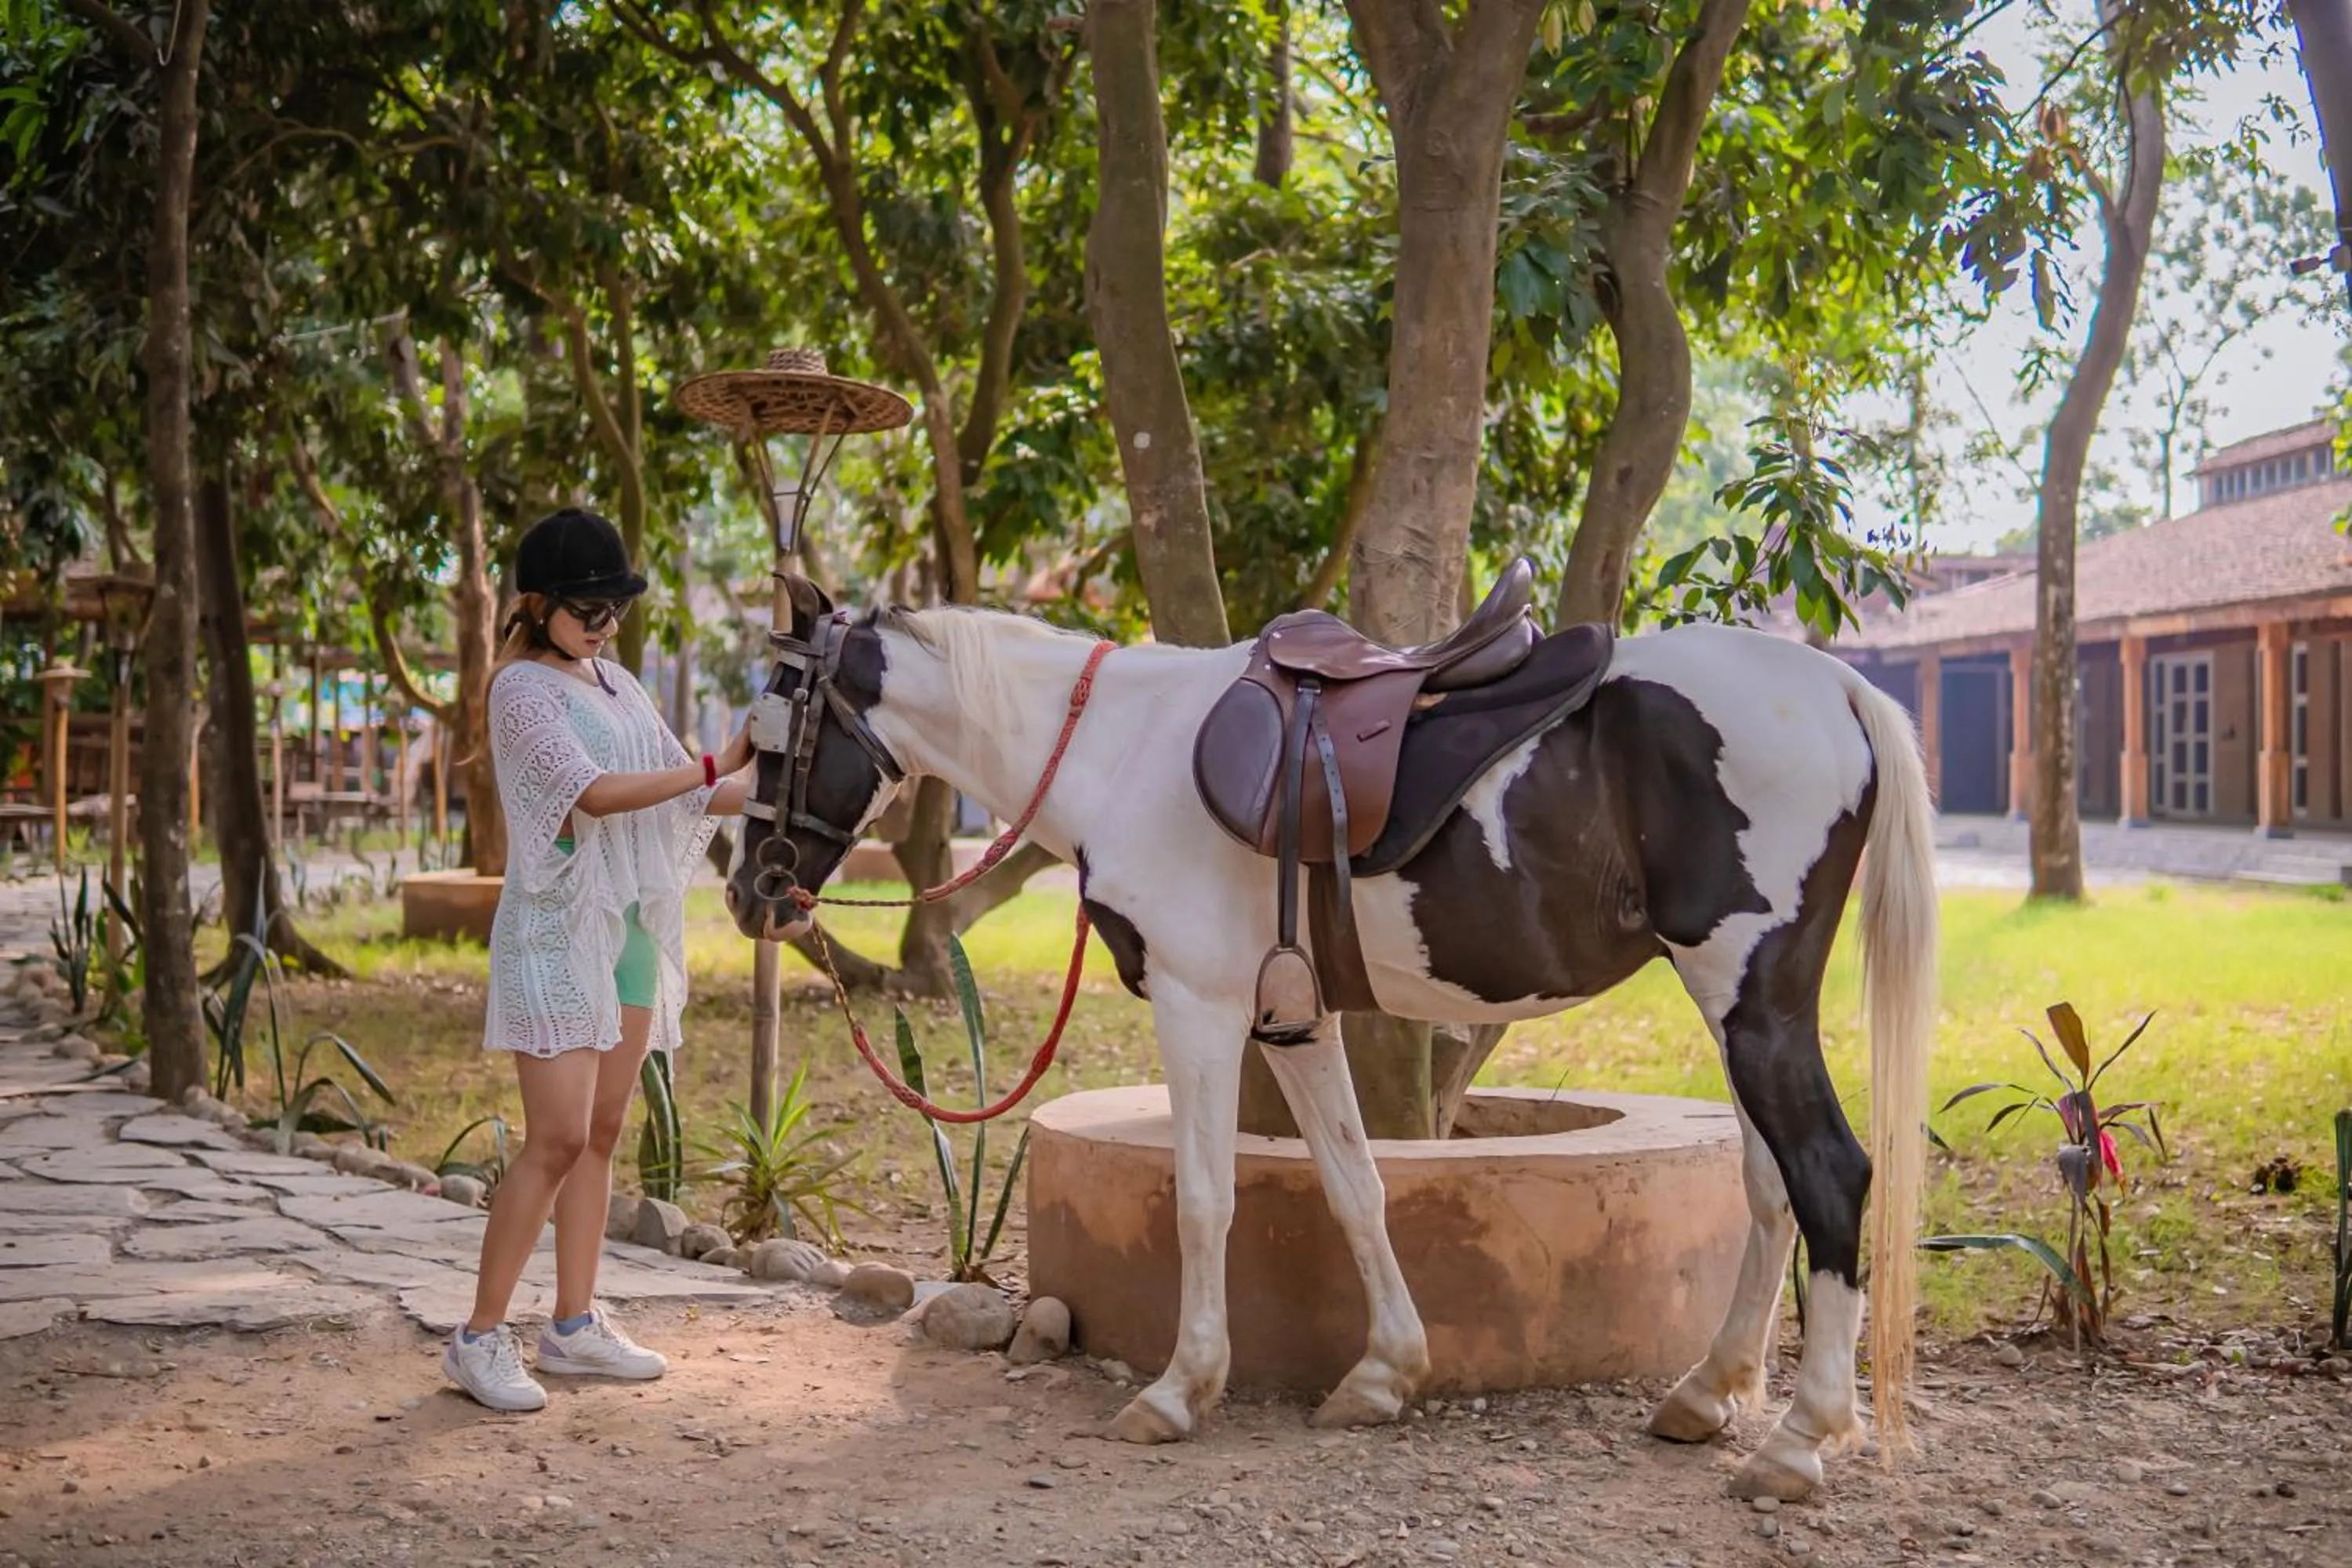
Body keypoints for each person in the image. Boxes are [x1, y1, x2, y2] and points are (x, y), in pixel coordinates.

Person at [442, 507, 754, 1413]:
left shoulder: (616, 682)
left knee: (604, 1133)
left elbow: (699, 787)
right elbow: (598, 792)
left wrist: (785, 780)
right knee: (557, 1138)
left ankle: (574, 1325)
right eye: (588, 609)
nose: (604, 626)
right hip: (552, 932)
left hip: (626, 931)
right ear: (537, 605)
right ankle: (477, 1337)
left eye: (614, 609)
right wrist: (708, 768)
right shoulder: (520, 692)